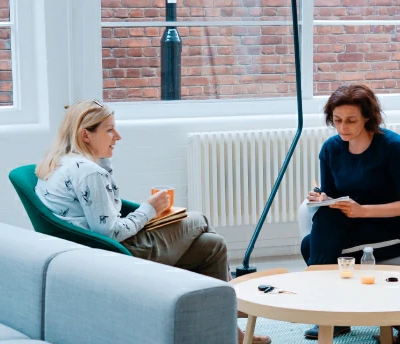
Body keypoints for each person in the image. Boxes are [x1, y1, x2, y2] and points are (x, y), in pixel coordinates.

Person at [34, 100, 271, 344]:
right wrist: (149, 209)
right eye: (109, 130)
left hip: (90, 252)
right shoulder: (89, 172)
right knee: (198, 218)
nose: (118, 136)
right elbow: (110, 232)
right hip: (119, 254)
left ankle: (231, 332)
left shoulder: (62, 162)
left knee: (213, 245)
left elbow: (103, 213)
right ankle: (232, 302)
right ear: (86, 135)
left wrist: (103, 160)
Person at [300, 84, 400, 340]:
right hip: (357, 224)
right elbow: (334, 195)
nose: (343, 127)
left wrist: (362, 211)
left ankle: (331, 313)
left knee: (311, 246)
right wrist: (322, 198)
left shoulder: (393, 147)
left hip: (396, 227)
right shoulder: (331, 149)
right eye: (337, 120)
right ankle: (336, 312)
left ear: (368, 117)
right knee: (313, 237)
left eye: (351, 120)